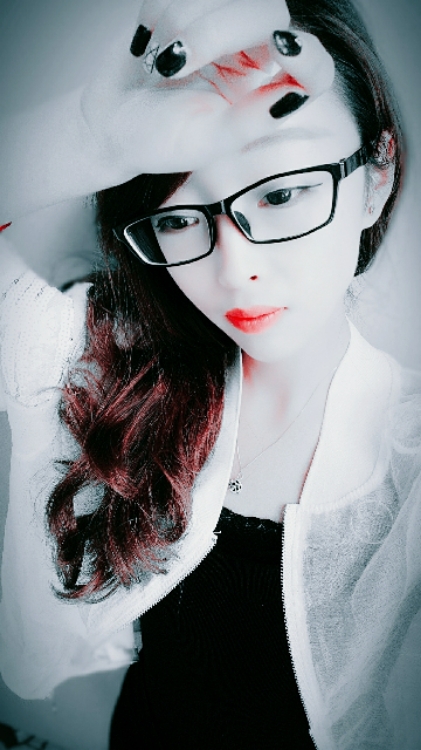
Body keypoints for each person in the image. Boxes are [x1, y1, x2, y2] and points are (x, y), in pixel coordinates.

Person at [0, 0, 420, 748]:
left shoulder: (407, 459)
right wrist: (84, 137)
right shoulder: (115, 375)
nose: (234, 270)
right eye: (178, 218)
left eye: (281, 193)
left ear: (377, 176)